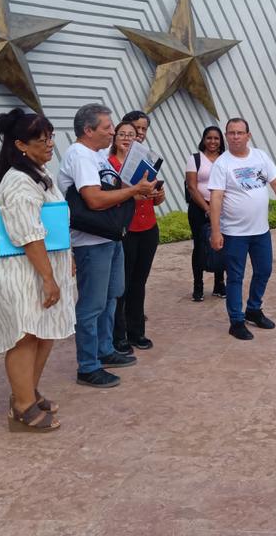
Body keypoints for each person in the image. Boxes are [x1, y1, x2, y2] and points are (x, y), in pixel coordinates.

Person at [0, 109, 77, 432]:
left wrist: (66, 259)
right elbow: (28, 234)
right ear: (20, 144)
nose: (50, 143)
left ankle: (27, 393)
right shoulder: (19, 181)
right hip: (21, 271)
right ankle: (21, 407)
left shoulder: (37, 173)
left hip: (39, 266)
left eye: (50, 136)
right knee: (25, 337)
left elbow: (55, 223)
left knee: (43, 331)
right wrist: (49, 278)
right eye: (41, 139)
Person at [58, 103, 155, 388]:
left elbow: (112, 191)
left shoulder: (96, 155)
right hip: (90, 241)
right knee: (92, 304)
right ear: (88, 130)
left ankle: (105, 350)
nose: (113, 131)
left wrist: (140, 191)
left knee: (112, 296)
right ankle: (88, 365)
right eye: (107, 127)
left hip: (110, 236)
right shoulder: (80, 156)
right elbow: (94, 199)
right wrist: (135, 190)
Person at [208, 118, 276, 340]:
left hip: (260, 231)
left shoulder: (260, 156)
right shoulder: (222, 163)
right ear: (227, 136)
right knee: (236, 277)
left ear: (248, 135)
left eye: (240, 133)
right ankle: (236, 321)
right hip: (234, 233)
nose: (235, 136)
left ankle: (254, 309)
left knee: (264, 270)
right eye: (231, 133)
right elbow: (216, 198)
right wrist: (216, 231)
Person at [108, 120, 165, 352]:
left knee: (139, 283)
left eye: (132, 135)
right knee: (122, 284)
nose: (127, 138)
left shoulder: (145, 164)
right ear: (114, 138)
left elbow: (157, 199)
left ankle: (136, 331)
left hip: (148, 227)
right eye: (122, 134)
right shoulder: (108, 164)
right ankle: (118, 335)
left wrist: (158, 193)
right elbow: (107, 199)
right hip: (125, 230)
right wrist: (132, 194)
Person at [185, 126, 226, 302]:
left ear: (220, 141)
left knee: (220, 244)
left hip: (222, 207)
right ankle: (198, 286)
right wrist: (208, 209)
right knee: (200, 245)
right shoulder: (195, 159)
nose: (212, 142)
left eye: (216, 138)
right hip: (198, 207)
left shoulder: (226, 159)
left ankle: (219, 284)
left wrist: (217, 208)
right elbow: (192, 187)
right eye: (209, 138)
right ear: (203, 140)